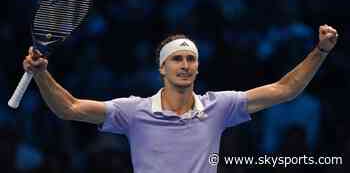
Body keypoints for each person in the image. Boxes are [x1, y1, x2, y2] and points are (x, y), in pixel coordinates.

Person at [23, 24, 338, 173]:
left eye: (191, 59)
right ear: (162, 67)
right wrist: (41, 74)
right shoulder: (133, 111)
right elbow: (69, 108)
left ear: (198, 67)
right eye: (177, 59)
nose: (185, 65)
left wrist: (320, 51)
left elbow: (285, 90)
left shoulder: (219, 106)